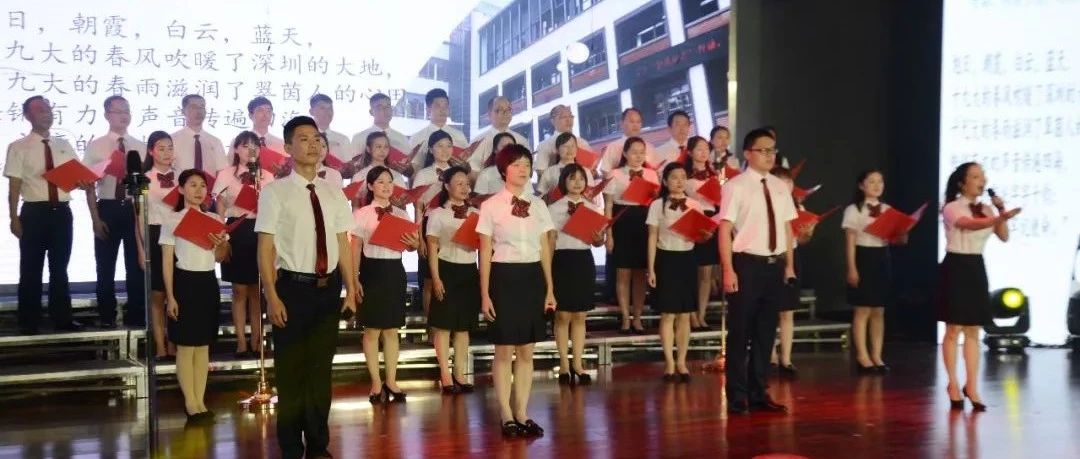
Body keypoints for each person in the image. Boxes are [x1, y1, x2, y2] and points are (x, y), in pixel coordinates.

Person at [256, 116, 358, 459]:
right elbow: (265, 248)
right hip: (292, 289)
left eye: (317, 139)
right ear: (287, 147)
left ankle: (317, 445)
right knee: (290, 372)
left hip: (328, 290)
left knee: (320, 371)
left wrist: (351, 287)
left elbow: (343, 242)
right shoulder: (275, 192)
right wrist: (271, 295)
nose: (313, 145)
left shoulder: (333, 191)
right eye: (303, 139)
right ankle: (289, 447)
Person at [477, 144, 556, 438]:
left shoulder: (539, 205)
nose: (523, 169)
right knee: (504, 349)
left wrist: (550, 288)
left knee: (526, 350)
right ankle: (505, 413)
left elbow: (545, 248)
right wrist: (485, 294)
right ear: (503, 170)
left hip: (532, 277)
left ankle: (522, 412)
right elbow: (485, 253)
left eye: (527, 164)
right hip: (504, 277)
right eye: (517, 164)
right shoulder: (491, 205)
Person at [718, 128, 797, 415]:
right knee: (740, 332)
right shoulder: (735, 186)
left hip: (774, 265)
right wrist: (728, 269)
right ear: (748, 153)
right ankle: (737, 395)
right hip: (746, 264)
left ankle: (759, 391)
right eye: (763, 150)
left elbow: (787, 227)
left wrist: (789, 265)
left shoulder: (780, 186)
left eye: (772, 150)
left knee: (765, 332)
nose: (769, 155)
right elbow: (724, 229)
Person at [938, 162, 1020, 412]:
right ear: (962, 183)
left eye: (982, 176)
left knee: (974, 329)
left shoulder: (986, 208)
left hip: (976, 266)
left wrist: (1000, 211)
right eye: (975, 176)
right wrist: (998, 217)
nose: (981, 180)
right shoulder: (951, 207)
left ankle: (972, 386)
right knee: (954, 329)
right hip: (956, 266)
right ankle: (953, 384)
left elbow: (1004, 236)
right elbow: (968, 224)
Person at [4, 95, 86, 334]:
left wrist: (83, 182)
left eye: (48, 108)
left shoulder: (64, 144)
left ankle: (62, 318)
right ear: (27, 116)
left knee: (60, 268)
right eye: (40, 109)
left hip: (62, 212)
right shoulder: (18, 147)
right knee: (31, 267)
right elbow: (14, 185)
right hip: (34, 212)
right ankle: (29, 321)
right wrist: (13, 217)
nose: (47, 113)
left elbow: (77, 176)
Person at [161, 169, 229, 422]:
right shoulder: (172, 220)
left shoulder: (214, 218)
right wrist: (170, 295)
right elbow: (167, 261)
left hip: (207, 282)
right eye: (192, 185)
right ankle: (190, 402)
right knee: (186, 346)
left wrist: (221, 243)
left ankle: (200, 401)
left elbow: (220, 257)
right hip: (184, 282)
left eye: (202, 185)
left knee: (202, 346)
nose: (199, 190)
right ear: (181, 189)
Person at [352, 166, 420, 404]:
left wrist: (414, 244)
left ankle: (391, 380)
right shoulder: (362, 213)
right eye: (380, 182)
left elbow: (411, 246)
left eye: (389, 182)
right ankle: (375, 382)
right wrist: (354, 278)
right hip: (371, 271)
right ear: (370, 186)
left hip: (394, 271)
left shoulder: (401, 213)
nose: (386, 186)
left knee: (392, 329)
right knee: (372, 330)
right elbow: (355, 247)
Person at [85, 95, 148, 328]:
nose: (124, 115)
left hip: (133, 208)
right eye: (118, 110)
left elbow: (145, 185)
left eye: (127, 110)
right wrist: (95, 218)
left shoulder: (140, 147)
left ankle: (137, 314)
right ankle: (106, 315)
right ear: (107, 115)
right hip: (108, 207)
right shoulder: (96, 145)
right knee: (105, 266)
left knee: (136, 266)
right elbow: (88, 184)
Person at [213, 131, 275, 359]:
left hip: (261, 231)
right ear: (236, 149)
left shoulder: (267, 176)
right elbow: (220, 205)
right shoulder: (226, 174)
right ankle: (241, 340)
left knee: (257, 289)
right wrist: (222, 233)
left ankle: (257, 340)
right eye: (246, 145)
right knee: (239, 289)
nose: (251, 149)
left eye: (255, 145)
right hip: (236, 230)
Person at [647, 163, 705, 382]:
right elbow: (652, 237)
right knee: (668, 313)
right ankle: (669, 362)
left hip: (687, 259)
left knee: (684, 314)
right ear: (665, 181)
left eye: (683, 177)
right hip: (666, 259)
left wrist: (704, 235)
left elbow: (700, 234)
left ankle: (681, 361)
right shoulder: (657, 205)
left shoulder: (694, 204)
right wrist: (651, 268)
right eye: (674, 177)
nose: (680, 181)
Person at [425, 166, 480, 394]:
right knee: (444, 326)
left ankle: (459, 373)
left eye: (467, 183)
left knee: (463, 327)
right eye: (459, 183)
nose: (465, 187)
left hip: (469, 270)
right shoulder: (437, 214)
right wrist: (436, 278)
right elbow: (432, 246)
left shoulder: (476, 213)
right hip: (446, 269)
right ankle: (445, 375)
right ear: (447, 186)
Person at [547, 163, 603, 385]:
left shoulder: (592, 207)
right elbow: (550, 242)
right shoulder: (554, 208)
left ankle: (578, 364)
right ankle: (563, 363)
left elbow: (598, 241)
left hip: (583, 260)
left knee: (580, 315)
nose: (578, 182)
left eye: (581, 178)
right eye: (572, 178)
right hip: (561, 260)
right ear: (564, 182)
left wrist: (599, 239)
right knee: (562, 316)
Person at [842, 170, 900, 375]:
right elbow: (850, 242)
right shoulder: (853, 210)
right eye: (872, 181)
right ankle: (862, 356)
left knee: (878, 310)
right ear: (861, 185)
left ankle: (877, 355)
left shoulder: (887, 209)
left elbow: (897, 238)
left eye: (880, 181)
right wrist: (852, 268)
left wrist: (903, 231)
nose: (877, 185)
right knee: (862, 310)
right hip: (863, 257)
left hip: (882, 258)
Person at [602, 137, 659, 334]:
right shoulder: (615, 174)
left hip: (643, 223)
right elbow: (608, 206)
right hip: (622, 223)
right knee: (623, 273)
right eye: (634, 152)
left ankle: (638, 318)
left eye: (642, 152)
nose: (638, 156)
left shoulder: (652, 174)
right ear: (625, 153)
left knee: (640, 274)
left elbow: (655, 203)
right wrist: (609, 234)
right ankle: (625, 318)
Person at [769, 166, 816, 377]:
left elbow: (802, 240)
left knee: (787, 312)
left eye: (789, 181)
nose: (786, 185)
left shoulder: (799, 207)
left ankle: (786, 359)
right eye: (781, 181)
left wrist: (808, 233)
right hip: (770, 257)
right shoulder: (764, 204)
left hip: (792, 257)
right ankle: (770, 355)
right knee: (769, 311)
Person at [142, 131, 178, 360]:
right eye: (161, 148)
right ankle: (160, 346)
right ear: (151, 151)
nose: (167, 153)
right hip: (155, 234)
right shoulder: (144, 179)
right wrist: (141, 248)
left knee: (177, 292)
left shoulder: (182, 176)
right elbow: (139, 217)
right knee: (157, 294)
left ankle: (174, 343)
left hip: (180, 236)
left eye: (170, 148)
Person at [683, 136, 720, 331]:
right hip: (692, 220)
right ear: (690, 152)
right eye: (699, 148)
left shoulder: (715, 175)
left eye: (707, 148)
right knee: (691, 272)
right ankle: (690, 314)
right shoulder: (683, 175)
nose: (704, 152)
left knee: (706, 272)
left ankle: (702, 314)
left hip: (711, 219)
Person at [408, 89, 469, 173]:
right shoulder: (417, 137)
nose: (442, 110)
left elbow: (467, 162)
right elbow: (413, 170)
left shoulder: (459, 136)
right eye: (438, 106)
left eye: (445, 106)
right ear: (428, 110)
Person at [467, 96, 528, 178]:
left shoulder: (522, 141)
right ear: (489, 114)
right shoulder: (478, 141)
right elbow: (472, 172)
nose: (505, 113)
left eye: (509, 109)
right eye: (499, 110)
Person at [352, 93, 411, 176]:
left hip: (395, 181)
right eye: (379, 107)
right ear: (371, 112)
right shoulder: (359, 138)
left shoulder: (401, 138)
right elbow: (353, 171)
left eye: (388, 107)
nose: (385, 111)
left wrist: (405, 169)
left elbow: (410, 172)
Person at [171, 94, 227, 178]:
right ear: (183, 111)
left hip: (210, 186)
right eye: (193, 107)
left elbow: (222, 171)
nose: (199, 111)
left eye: (202, 107)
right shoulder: (172, 140)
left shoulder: (215, 142)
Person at [351, 132, 408, 206]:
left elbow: (403, 205)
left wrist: (399, 204)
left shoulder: (396, 175)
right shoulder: (359, 176)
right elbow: (355, 206)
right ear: (368, 149)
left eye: (386, 147)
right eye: (378, 147)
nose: (382, 151)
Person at [534, 105, 592, 176]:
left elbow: (592, 168)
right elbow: (541, 172)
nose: (568, 120)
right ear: (553, 121)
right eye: (563, 117)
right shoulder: (545, 145)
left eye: (570, 116)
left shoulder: (583, 143)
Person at [599, 108, 659, 175]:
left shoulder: (650, 147)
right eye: (632, 121)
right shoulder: (613, 147)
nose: (635, 125)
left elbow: (657, 170)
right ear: (622, 124)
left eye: (638, 122)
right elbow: (605, 171)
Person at [537, 133, 596, 197]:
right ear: (557, 150)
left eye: (572, 146)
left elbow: (590, 194)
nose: (570, 149)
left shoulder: (586, 171)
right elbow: (541, 195)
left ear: (577, 149)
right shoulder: (549, 172)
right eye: (565, 146)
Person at [309, 93, 354, 167]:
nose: (327, 112)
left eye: (330, 108)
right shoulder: (303, 138)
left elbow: (349, 168)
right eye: (322, 108)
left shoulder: (343, 139)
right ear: (311, 111)